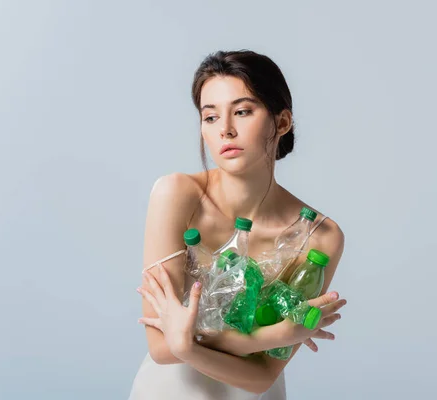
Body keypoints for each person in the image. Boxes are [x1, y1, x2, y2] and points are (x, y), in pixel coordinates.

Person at [128, 50, 347, 400]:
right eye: (210, 117)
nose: (225, 130)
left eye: (242, 112)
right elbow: (160, 346)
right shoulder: (177, 194)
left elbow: (261, 377)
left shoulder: (320, 235)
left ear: (282, 121)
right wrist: (272, 336)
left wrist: (188, 343)